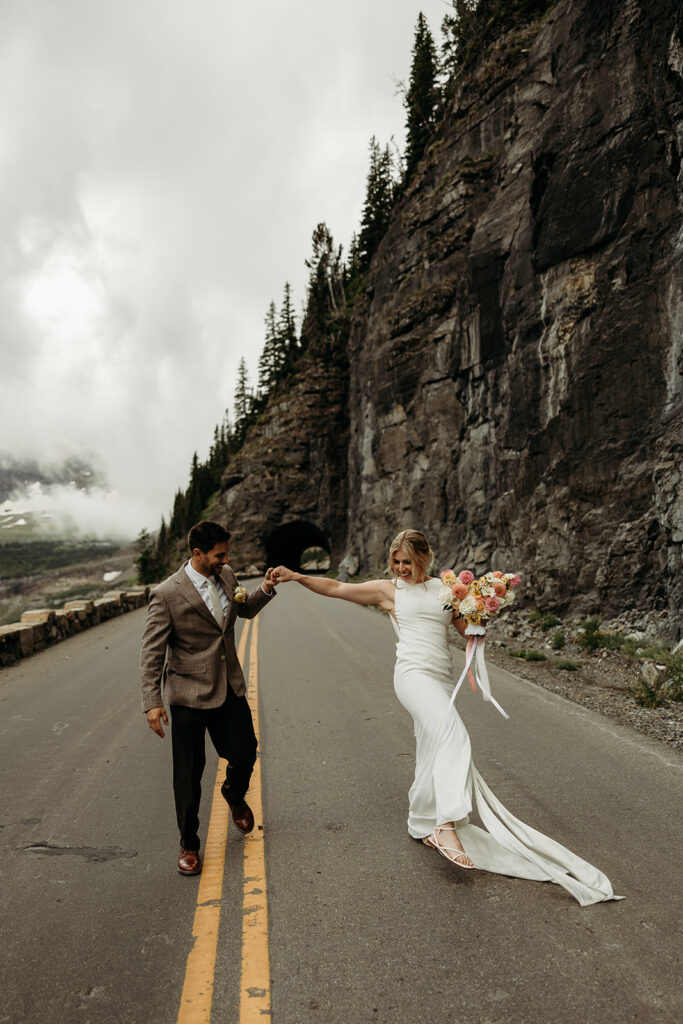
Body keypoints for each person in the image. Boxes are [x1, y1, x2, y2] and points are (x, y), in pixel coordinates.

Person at [272, 529, 621, 906]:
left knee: (432, 745)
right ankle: (445, 823)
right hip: (411, 675)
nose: (402, 569)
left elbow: (466, 632)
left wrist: (481, 616)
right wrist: (297, 576)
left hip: (440, 676)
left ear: (425, 560)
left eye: (409, 562)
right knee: (452, 734)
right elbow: (337, 588)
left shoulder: (447, 590)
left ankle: (421, 820)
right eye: (397, 562)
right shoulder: (390, 591)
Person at [140, 520, 276, 876]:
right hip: (187, 694)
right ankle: (188, 843)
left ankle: (233, 795)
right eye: (219, 555)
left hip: (228, 685)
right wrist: (152, 701)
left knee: (246, 751)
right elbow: (151, 652)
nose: (225, 560)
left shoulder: (226, 576)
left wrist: (264, 588)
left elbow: (242, 611)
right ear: (197, 554)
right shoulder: (167, 594)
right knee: (188, 775)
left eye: (226, 554)